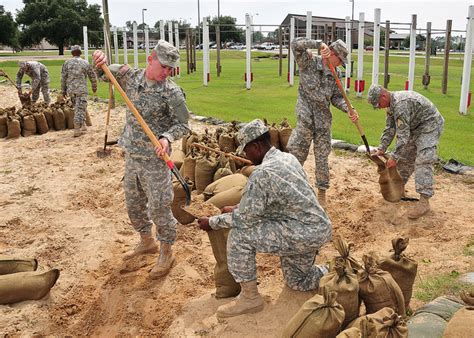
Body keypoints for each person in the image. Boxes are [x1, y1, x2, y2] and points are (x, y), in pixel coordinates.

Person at [197, 119, 332, 318]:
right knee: (297, 281)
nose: (245, 155)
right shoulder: (288, 159)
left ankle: (250, 298)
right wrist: (236, 207)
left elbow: (244, 220)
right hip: (316, 228)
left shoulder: (262, 174)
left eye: (246, 150)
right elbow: (276, 202)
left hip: (301, 232)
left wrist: (213, 223)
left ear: (257, 146)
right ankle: (333, 271)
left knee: (240, 236)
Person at [92, 40, 191, 278]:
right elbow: (103, 72)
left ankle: (166, 250)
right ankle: (146, 241)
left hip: (156, 161)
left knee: (159, 207)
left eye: (170, 69)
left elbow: (183, 125)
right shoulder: (130, 77)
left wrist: (166, 138)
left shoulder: (172, 92)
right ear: (150, 59)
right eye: (164, 66)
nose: (166, 72)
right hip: (132, 156)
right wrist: (98, 60)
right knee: (134, 205)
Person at [286, 38, 359, 207]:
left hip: (323, 121)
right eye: (340, 60)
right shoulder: (309, 62)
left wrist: (349, 109)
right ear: (331, 54)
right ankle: (289, 187)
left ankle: (321, 194)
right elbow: (295, 44)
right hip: (306, 118)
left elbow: (336, 97)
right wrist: (319, 44)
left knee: (322, 157)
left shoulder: (336, 74)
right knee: (296, 154)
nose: (341, 64)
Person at [367, 84, 445, 219]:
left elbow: (402, 135)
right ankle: (398, 190)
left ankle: (424, 201)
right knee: (405, 158)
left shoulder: (401, 105)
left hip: (429, 125)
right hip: (415, 127)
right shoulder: (391, 105)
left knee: (423, 160)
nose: (378, 107)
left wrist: (393, 157)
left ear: (383, 96)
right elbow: (390, 128)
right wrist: (382, 148)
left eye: (378, 103)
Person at [61, 45, 97, 137]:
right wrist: (94, 86)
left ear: (72, 53)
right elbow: (92, 76)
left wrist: (63, 90)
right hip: (81, 89)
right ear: (80, 52)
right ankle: (77, 129)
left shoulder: (66, 63)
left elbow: (63, 78)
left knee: (78, 107)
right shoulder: (85, 63)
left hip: (71, 90)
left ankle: (83, 125)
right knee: (80, 108)